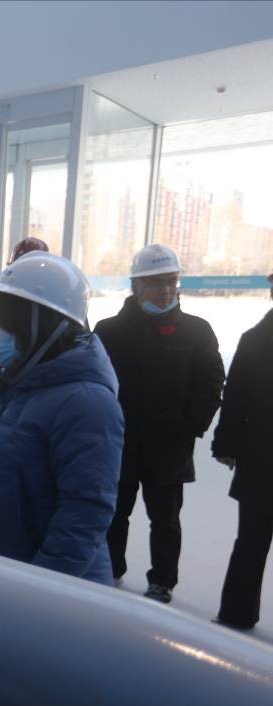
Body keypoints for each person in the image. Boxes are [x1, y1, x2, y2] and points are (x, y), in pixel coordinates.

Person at [0, 252, 124, 583]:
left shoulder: (88, 404)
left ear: (37, 326)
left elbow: (82, 518)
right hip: (1, 574)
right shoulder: (11, 387)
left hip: (54, 593)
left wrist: (35, 593)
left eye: (0, 322)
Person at [94, 244, 224, 603]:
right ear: (136, 286)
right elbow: (95, 382)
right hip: (119, 444)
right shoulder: (109, 331)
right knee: (114, 513)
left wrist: (189, 426)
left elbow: (211, 384)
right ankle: (109, 569)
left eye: (171, 281)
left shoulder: (196, 332)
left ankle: (162, 581)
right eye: (156, 282)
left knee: (165, 521)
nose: (166, 289)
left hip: (170, 448)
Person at [210, 271, 273, 630]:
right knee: (251, 540)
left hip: (259, 459)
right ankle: (236, 612)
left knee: (250, 540)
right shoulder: (255, 339)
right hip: (261, 458)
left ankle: (237, 613)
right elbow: (235, 397)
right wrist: (226, 444)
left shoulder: (256, 338)